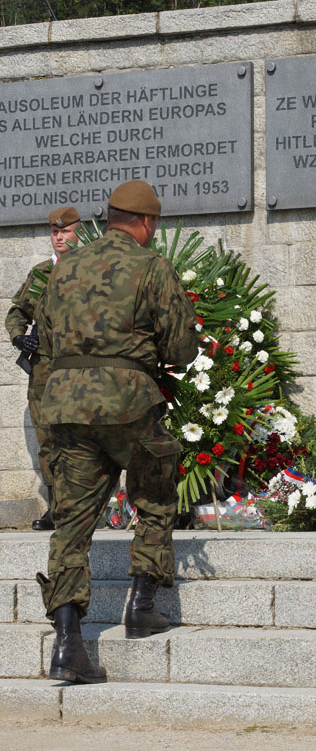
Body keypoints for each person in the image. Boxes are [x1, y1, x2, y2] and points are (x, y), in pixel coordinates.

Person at [36, 181, 198, 684]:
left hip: (64, 405)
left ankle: (67, 647)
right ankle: (142, 604)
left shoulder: (65, 269)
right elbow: (180, 348)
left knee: (72, 523)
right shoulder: (151, 267)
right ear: (146, 223)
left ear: (108, 218)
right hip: (126, 402)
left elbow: (42, 336)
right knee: (153, 488)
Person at [7, 206, 81, 531]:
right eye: (55, 231)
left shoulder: (92, 271)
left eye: (66, 231)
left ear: (79, 232)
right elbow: (16, 312)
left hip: (81, 371)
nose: (60, 237)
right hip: (43, 374)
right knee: (47, 438)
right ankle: (56, 509)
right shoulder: (39, 273)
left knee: (80, 438)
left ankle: (81, 507)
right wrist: (18, 338)